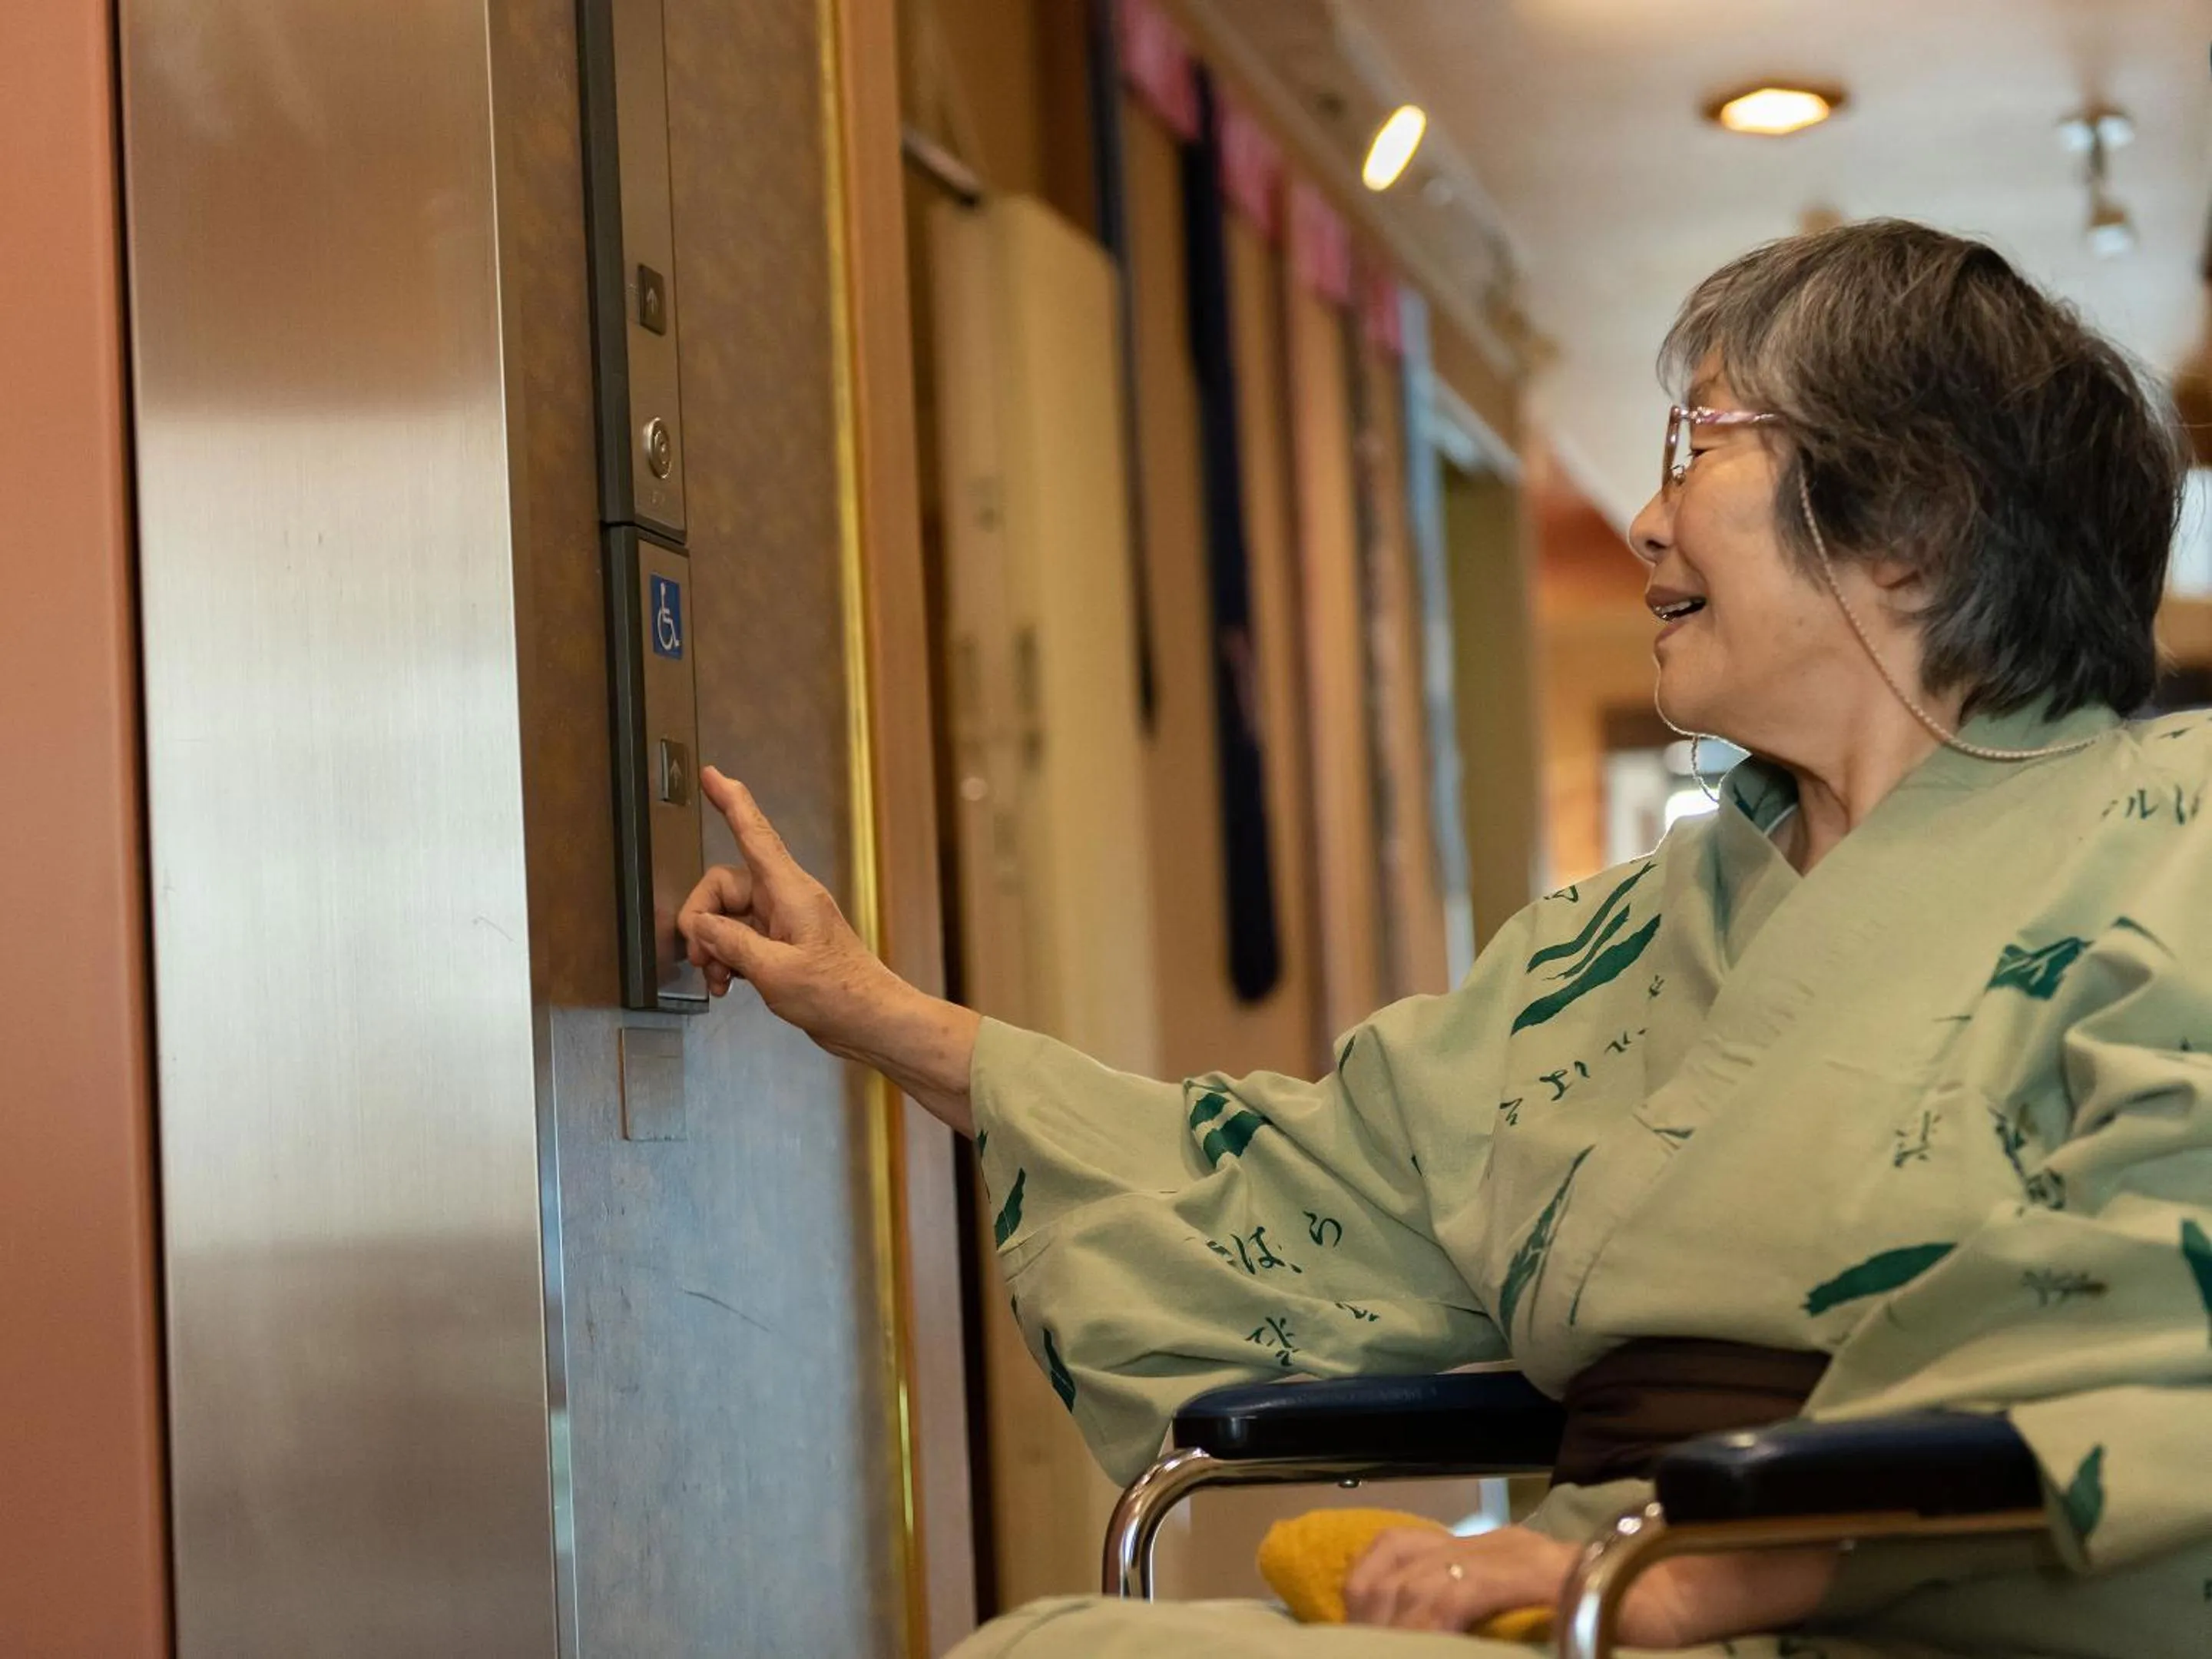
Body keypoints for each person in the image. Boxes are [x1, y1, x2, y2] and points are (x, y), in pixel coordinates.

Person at [678, 220, 2212, 1657]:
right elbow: (1289, 1197)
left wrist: (1712, 1561)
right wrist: (873, 1009)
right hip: (1608, 1594)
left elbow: (2165, 1294)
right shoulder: (1613, 943)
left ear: (1919, 520)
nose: (1644, 516)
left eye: (1703, 443)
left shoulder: (2178, 834)